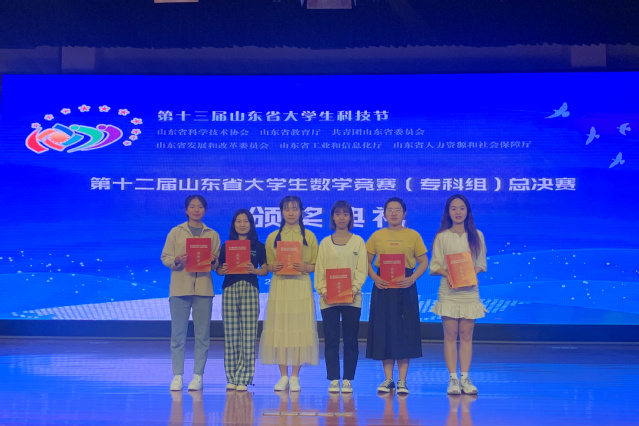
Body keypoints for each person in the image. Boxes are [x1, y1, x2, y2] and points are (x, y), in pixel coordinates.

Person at [365, 197, 429, 395]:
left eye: (397, 209)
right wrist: (375, 277)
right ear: (384, 214)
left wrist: (412, 279)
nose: (393, 213)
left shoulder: (413, 235)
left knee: (405, 331)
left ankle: (402, 380)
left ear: (404, 213)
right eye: (390, 210)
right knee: (384, 330)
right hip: (383, 286)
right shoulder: (377, 236)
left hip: (405, 286)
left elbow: (424, 262)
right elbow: (366, 261)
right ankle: (388, 379)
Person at [258, 195, 320, 392]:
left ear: (301, 211)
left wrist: (306, 267)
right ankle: (283, 376)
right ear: (281, 212)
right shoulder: (273, 237)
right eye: (287, 209)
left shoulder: (309, 236)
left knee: (299, 330)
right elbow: (267, 265)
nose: (291, 212)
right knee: (280, 329)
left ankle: (295, 376)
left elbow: (317, 264)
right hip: (281, 286)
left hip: (301, 286)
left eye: (294, 208)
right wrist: (273, 266)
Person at [161, 195, 220, 391]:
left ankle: (198, 376)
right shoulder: (176, 232)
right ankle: (177, 375)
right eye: (192, 207)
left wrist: (213, 260)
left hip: (203, 289)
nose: (196, 210)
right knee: (178, 334)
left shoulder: (212, 234)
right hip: (180, 288)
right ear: (186, 210)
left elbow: (216, 265)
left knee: (202, 335)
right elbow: (165, 257)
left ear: (205, 210)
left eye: (200, 206)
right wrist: (177, 260)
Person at [430, 194, 487, 395]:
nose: (458, 212)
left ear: (467, 211)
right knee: (450, 334)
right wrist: (449, 275)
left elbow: (481, 263)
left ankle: (465, 378)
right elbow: (434, 265)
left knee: (466, 334)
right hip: (449, 291)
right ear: (448, 212)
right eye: (453, 208)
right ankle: (453, 379)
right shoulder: (442, 237)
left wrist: (470, 274)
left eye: (461, 208)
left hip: (469, 291)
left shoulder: (477, 235)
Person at [314, 200, 367, 394]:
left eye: (346, 214)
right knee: (331, 339)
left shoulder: (358, 241)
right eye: (338, 214)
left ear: (351, 217)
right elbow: (319, 270)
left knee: (351, 339)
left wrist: (354, 289)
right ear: (333, 218)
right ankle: (334, 378)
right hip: (328, 299)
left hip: (352, 298)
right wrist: (323, 290)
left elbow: (362, 269)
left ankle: (348, 379)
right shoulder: (325, 243)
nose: (342, 217)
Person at [216, 209, 267, 392]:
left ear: (251, 224)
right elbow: (218, 270)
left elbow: (265, 270)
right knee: (231, 334)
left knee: (248, 335)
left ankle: (244, 378)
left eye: (246, 221)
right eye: (239, 221)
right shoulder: (226, 246)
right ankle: (231, 377)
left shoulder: (258, 246)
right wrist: (223, 269)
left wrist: (255, 270)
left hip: (250, 289)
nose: (242, 224)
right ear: (234, 224)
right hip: (230, 289)